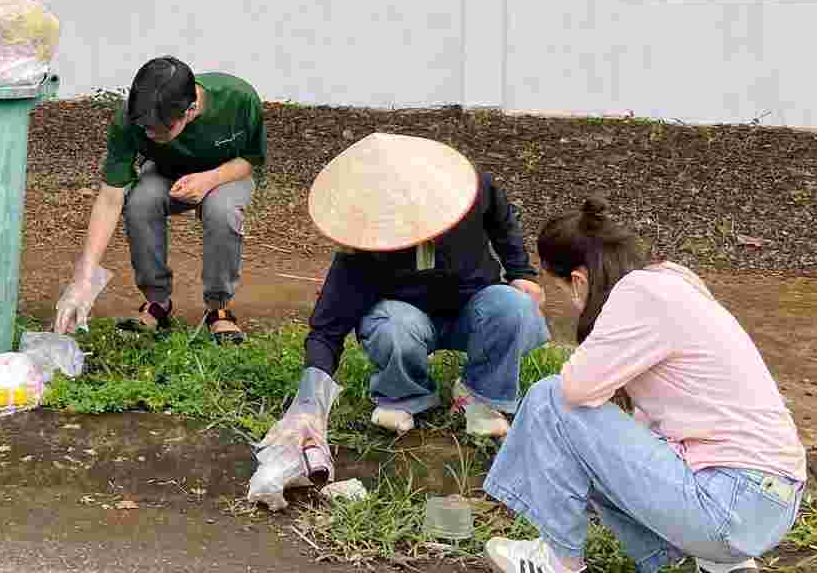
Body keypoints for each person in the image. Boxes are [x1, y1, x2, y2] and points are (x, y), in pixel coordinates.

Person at [482, 200, 804, 573]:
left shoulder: (637, 294)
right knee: (623, 437)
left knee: (550, 398)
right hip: (771, 503)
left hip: (729, 500)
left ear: (579, 280)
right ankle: (724, 565)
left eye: (563, 291)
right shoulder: (676, 281)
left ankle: (558, 561)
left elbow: (575, 390)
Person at [302, 134, 547, 438]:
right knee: (390, 324)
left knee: (513, 306)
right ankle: (405, 395)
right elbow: (327, 328)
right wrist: (308, 402)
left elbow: (502, 218)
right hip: (406, 320)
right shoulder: (364, 247)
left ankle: (480, 397)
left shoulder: (472, 189)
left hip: (473, 309)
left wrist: (521, 272)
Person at [55, 57, 265, 344]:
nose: (149, 134)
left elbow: (251, 160)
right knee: (140, 202)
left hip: (226, 171)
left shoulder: (238, 98)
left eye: (159, 130)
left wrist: (209, 180)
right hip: (166, 173)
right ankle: (157, 303)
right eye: (144, 128)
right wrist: (84, 276)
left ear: (190, 111)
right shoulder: (132, 119)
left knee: (222, 210)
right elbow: (109, 197)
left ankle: (219, 309)